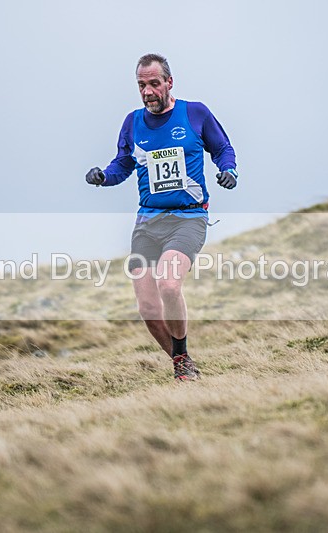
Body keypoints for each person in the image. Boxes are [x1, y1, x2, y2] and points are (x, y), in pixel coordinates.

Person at [86, 53, 238, 381]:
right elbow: (122, 164)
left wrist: (229, 171)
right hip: (147, 223)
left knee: (169, 285)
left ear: (169, 83)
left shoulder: (195, 113)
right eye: (141, 85)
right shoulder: (132, 122)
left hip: (188, 218)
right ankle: (182, 362)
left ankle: (181, 359)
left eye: (154, 84)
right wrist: (103, 176)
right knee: (148, 309)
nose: (147, 91)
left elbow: (223, 148)